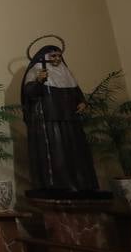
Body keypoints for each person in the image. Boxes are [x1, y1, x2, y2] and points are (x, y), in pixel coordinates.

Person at [21, 43, 100, 195]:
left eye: (59, 56)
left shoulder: (66, 72)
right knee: (56, 151)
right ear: (44, 58)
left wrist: (82, 102)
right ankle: (57, 184)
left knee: (75, 150)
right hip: (50, 120)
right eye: (53, 56)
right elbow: (29, 94)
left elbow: (76, 92)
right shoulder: (37, 70)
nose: (57, 59)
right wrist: (39, 81)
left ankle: (81, 183)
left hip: (70, 120)